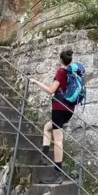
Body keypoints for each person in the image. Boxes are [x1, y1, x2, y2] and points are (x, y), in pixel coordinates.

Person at [29, 49, 76, 184]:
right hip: (69, 109)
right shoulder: (72, 72)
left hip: (59, 108)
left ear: (60, 60)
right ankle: (44, 156)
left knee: (58, 140)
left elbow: (51, 90)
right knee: (47, 127)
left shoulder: (61, 72)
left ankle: (57, 174)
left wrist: (36, 82)